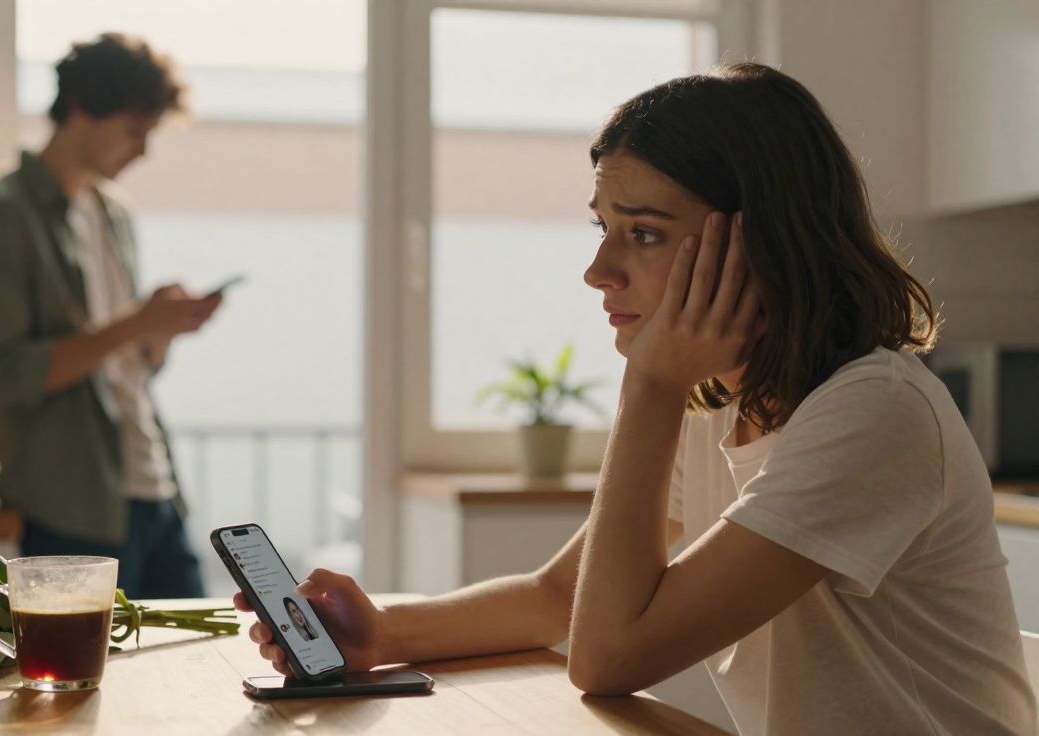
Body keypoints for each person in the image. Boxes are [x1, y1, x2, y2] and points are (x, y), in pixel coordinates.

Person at [237, 63, 1038, 734]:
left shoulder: (873, 412)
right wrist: (381, 634)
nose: (599, 272)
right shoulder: (724, 402)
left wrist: (652, 385)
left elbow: (609, 655)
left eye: (644, 233)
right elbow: (560, 598)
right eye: (604, 229)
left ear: (760, 242)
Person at [0, 33, 218, 598]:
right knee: (80, 659)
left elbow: (128, 366)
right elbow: (5, 376)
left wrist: (159, 331)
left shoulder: (114, 214)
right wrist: (136, 323)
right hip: (71, 504)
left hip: (155, 485)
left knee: (198, 650)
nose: (144, 150)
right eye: (135, 128)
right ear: (81, 109)